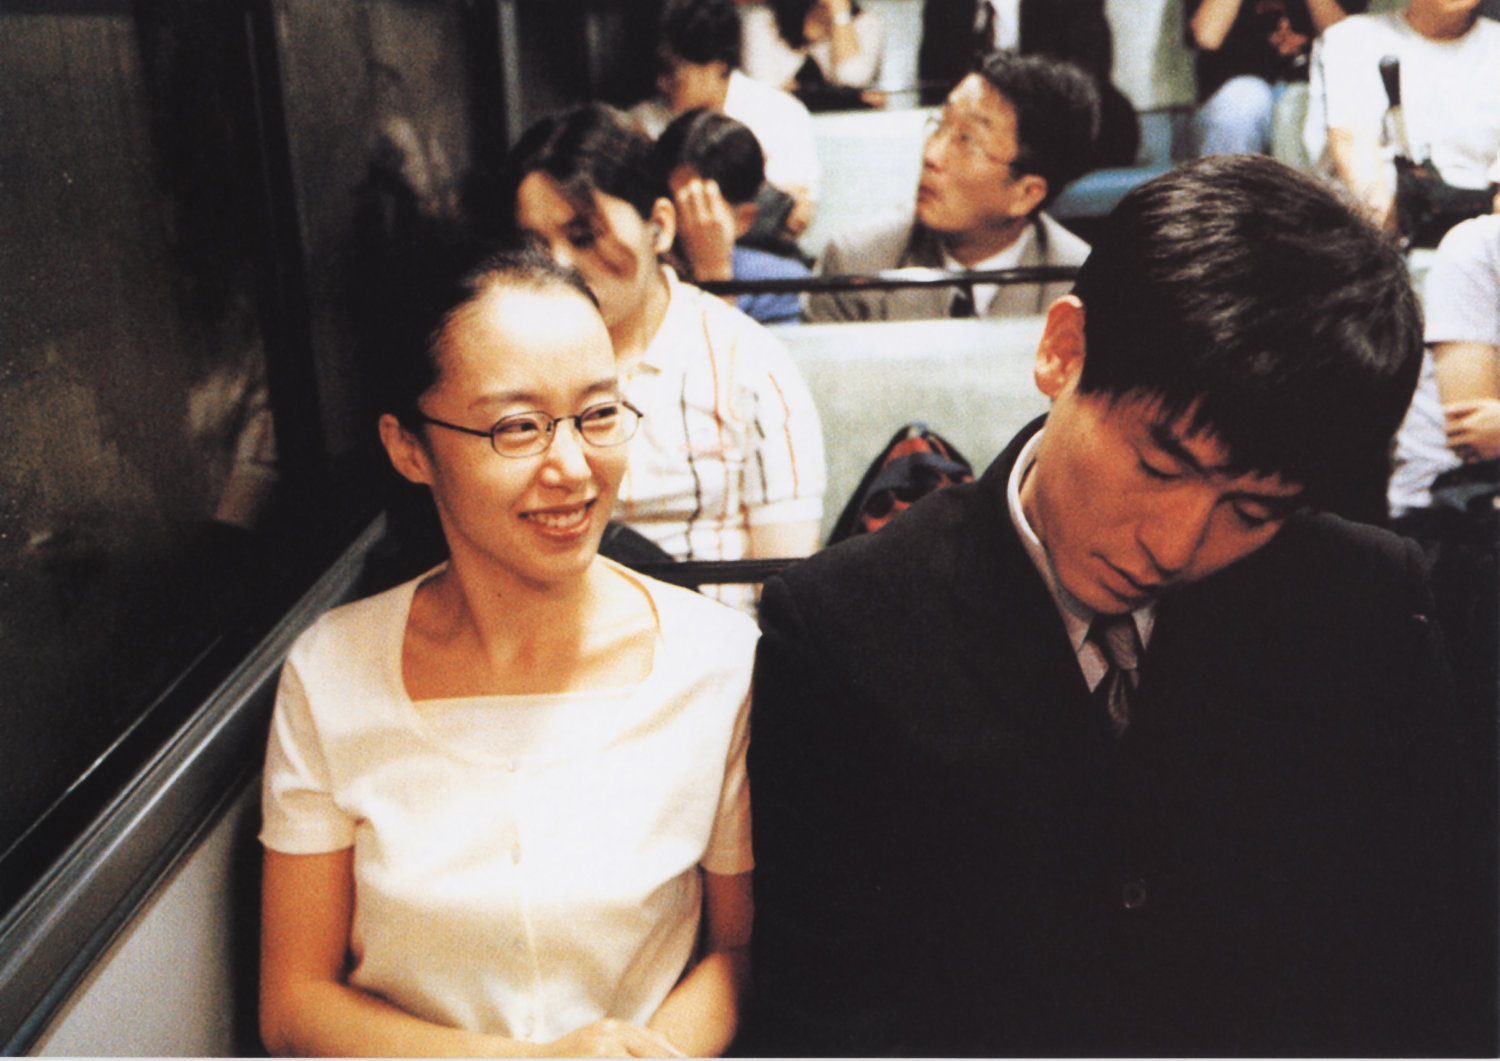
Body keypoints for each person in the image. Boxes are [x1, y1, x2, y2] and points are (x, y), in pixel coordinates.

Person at [745, 155, 1497, 1056]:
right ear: (1063, 350)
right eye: (1160, 465)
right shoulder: (841, 625)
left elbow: (1435, 964)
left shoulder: (1365, 601)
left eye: (1251, 510)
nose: (1174, 546)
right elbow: (823, 1015)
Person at [258, 248, 755, 1057]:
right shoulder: (332, 671)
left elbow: (740, 951)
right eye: (517, 427)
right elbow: (294, 1002)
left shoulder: (719, 661)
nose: (572, 468)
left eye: (598, 414)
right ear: (409, 447)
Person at [509, 104, 825, 613]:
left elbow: (787, 586)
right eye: (535, 245)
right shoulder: (508, 371)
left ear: (659, 226)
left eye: (583, 236)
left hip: (717, 639)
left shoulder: (747, 364)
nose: (558, 266)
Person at [806, 50, 1095, 322]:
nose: (932, 154)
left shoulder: (1084, 288)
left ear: (1026, 194)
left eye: (967, 141)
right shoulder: (854, 264)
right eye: (940, 125)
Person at [630, 0, 820, 240]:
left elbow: (795, 217)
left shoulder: (780, 114)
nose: (661, 83)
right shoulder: (641, 123)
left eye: (672, 71)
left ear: (718, 65)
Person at [1305, 0, 1500, 232]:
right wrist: (1387, 243)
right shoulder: (1352, 38)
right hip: (1379, 228)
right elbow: (1353, 146)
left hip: (1481, 227)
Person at [917, 0, 1140, 166]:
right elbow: (935, 87)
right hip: (977, 137)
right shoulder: (944, 5)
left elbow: (1081, 84)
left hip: (1067, 131)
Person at [652, 107, 812, 325]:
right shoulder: (637, 271)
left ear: (743, 220)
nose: (671, 224)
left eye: (694, 207)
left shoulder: (779, 286)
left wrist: (714, 273)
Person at [1187, 0, 1363, 156]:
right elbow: (1207, 37)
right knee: (1246, 99)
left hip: (1307, 90)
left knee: (1301, 105)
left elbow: (1346, 40)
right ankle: (1226, 183)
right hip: (1236, 96)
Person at [741, 0, 885, 106]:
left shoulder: (867, 23)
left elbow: (851, 79)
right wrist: (844, 98)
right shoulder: (761, 20)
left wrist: (840, 16)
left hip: (842, 126)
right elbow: (765, 91)